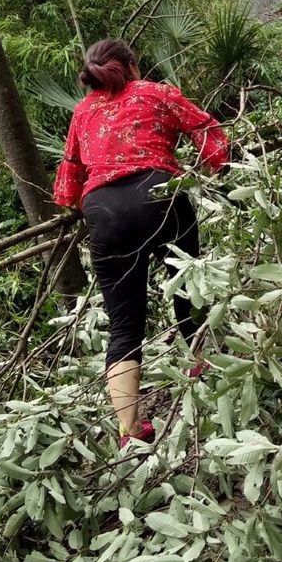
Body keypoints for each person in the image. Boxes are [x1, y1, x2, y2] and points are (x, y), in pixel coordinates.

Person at [53, 39, 228, 448]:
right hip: (160, 195)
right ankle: (202, 371)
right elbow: (207, 132)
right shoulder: (157, 92)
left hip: (104, 213)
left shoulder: (82, 113)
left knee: (124, 326)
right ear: (132, 65)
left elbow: (67, 186)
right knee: (187, 290)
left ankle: (129, 432)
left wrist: (82, 210)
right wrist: (221, 167)